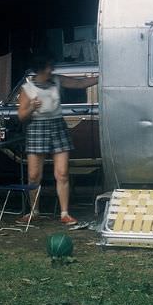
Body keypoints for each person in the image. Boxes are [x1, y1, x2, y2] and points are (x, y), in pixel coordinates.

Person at [17, 55, 99, 226]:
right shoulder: (28, 88)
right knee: (34, 175)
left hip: (57, 126)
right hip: (37, 129)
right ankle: (34, 211)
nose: (51, 70)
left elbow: (80, 84)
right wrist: (32, 107)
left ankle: (65, 213)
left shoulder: (57, 81)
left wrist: (103, 76)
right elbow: (21, 116)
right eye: (48, 67)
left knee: (62, 173)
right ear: (40, 68)